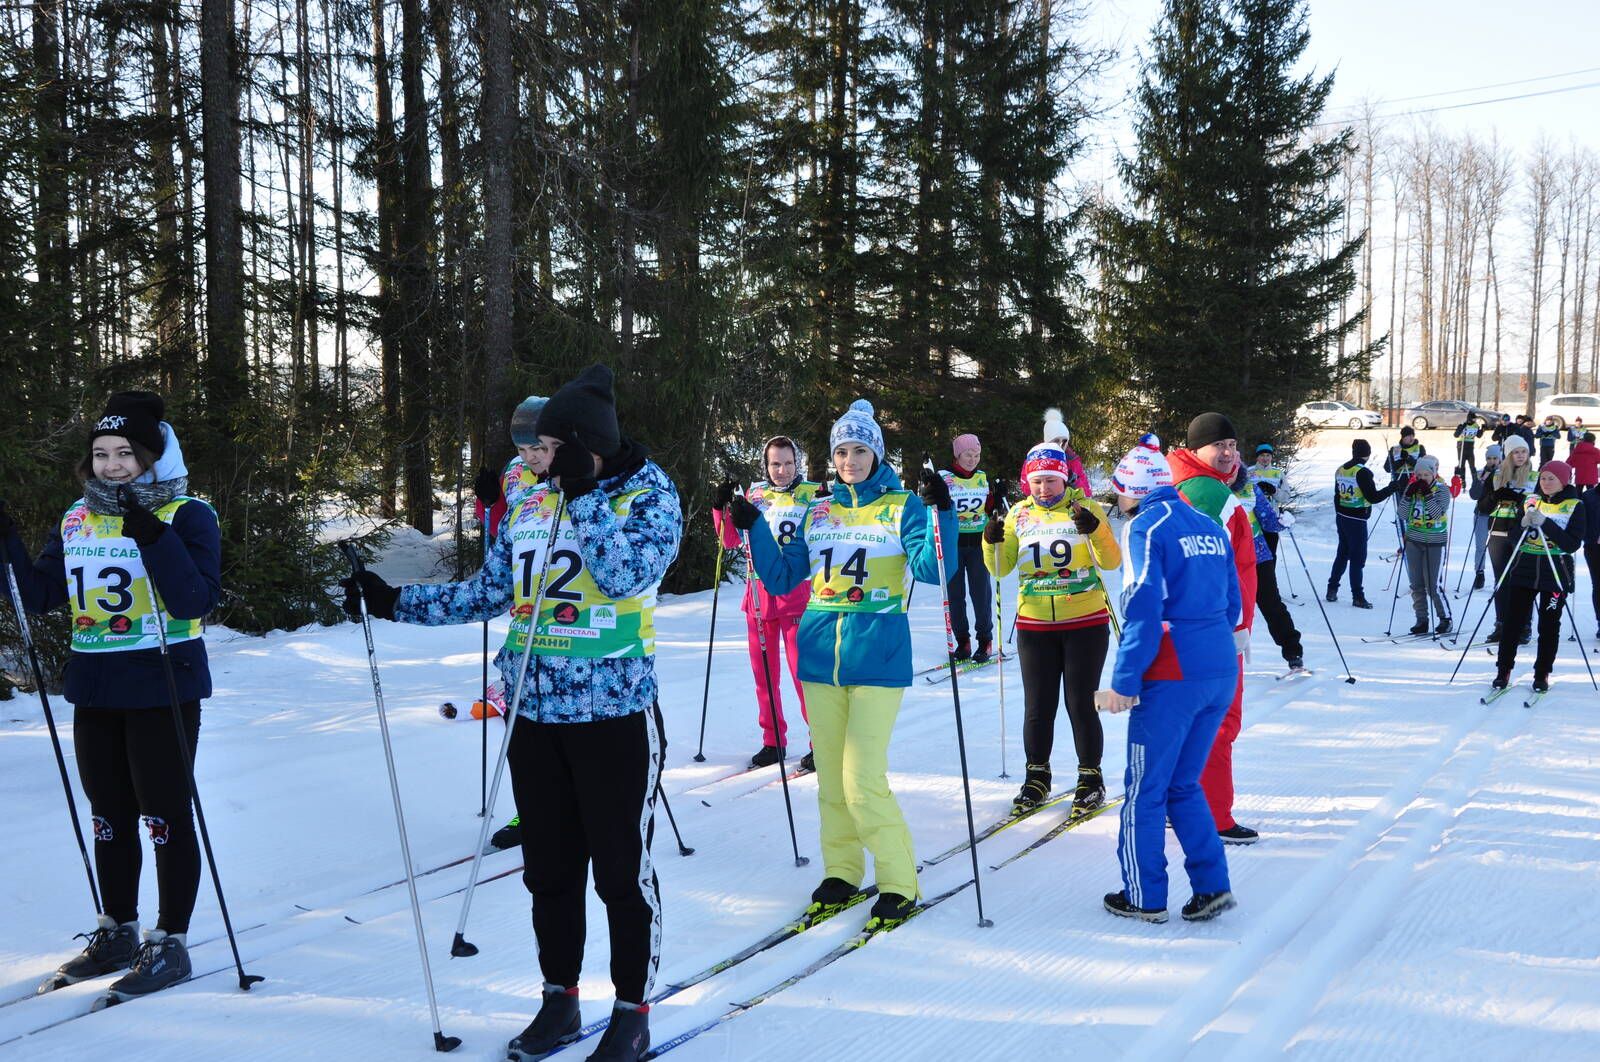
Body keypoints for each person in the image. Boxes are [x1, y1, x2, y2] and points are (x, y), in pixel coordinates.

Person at [344, 364, 681, 1062]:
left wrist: (584, 497)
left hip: (614, 713)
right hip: (535, 712)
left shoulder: (649, 494)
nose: (534, 459)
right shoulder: (531, 499)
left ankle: (632, 1009)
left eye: (551, 447)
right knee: (549, 871)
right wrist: (394, 600)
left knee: (621, 872)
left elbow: (623, 577)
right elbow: (488, 591)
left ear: (586, 447)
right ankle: (559, 999)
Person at [2, 393, 221, 1001]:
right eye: (101, 453)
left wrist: (152, 534)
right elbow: (42, 595)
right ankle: (118, 930)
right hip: (96, 686)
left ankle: (169, 940)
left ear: (153, 455)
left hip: (162, 683)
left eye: (126, 452)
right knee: (108, 815)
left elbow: (195, 601)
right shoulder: (77, 517)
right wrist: (10, 545)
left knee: (164, 814)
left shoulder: (187, 513)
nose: (113, 464)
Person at [731, 399, 956, 932]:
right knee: (830, 777)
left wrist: (941, 511)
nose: (850, 460)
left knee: (861, 778)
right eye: (841, 451)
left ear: (875, 453)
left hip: (878, 654)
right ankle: (843, 871)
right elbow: (785, 578)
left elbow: (930, 569)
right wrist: (755, 528)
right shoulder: (818, 509)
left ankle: (900, 880)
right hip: (818, 655)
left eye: (859, 450)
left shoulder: (902, 505)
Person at [1101, 435, 1240, 924]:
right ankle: (1212, 887)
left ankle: (1144, 896)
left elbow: (1142, 608)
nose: (1118, 500)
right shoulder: (1205, 523)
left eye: (1119, 491)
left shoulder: (1145, 527)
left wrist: (1124, 681)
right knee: (1184, 783)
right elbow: (1235, 602)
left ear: (1132, 490)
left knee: (1145, 787)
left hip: (1173, 672)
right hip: (1219, 665)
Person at [981, 442, 1120, 814]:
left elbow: (1111, 561)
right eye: (1038, 481)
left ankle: (1090, 778)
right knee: (1038, 706)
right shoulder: (1018, 516)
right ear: (1027, 481)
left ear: (1064, 479)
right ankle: (1036, 777)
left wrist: (1096, 532)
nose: (1045, 488)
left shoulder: (1084, 507)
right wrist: (989, 539)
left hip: (1086, 620)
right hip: (1035, 622)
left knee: (1081, 703)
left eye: (1052, 481)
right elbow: (1000, 567)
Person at [1166, 413, 1258, 845]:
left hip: (1197, 628)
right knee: (1218, 721)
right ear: (1197, 449)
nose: (1229, 453)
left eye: (1233, 445)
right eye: (1219, 445)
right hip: (1214, 630)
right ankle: (1212, 815)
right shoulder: (1208, 495)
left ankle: (1181, 802)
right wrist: (1229, 628)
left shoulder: (1198, 487)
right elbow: (1208, 567)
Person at [711, 437, 820, 770]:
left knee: (804, 676)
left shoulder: (813, 495)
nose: (782, 470)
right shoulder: (754, 495)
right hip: (758, 598)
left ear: (797, 463)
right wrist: (721, 508)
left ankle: (821, 741)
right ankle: (773, 741)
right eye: (775, 464)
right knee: (764, 676)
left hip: (796, 597)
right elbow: (730, 541)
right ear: (766, 465)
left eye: (788, 463)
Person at [473, 395, 551, 853]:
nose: (529, 456)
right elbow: (501, 533)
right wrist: (489, 503)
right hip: (524, 608)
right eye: (521, 446)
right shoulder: (512, 473)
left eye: (536, 444)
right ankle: (531, 808)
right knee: (522, 714)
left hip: (574, 612)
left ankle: (570, 804)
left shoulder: (578, 470)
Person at [1491, 461, 1589, 696]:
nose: (1545, 483)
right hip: (1524, 569)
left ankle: (1542, 673)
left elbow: (1572, 544)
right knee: (1512, 623)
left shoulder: (1575, 505)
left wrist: (1546, 524)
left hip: (1554, 571)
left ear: (1563, 481)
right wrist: (1523, 524)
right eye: (1543, 478)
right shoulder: (1531, 501)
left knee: (1549, 626)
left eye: (1551, 478)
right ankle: (1503, 670)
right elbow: (1515, 538)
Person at [1234, 462, 1303, 670]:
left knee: (1271, 604)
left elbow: (1268, 521)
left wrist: (1283, 521)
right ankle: (1224, 660)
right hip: (1229, 560)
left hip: (1258, 556)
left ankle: (1293, 652)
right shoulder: (1212, 489)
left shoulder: (1250, 488)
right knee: (1228, 610)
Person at [937, 433, 995, 662]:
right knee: (955, 595)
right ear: (957, 455)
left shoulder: (982, 477)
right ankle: (963, 640)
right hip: (954, 544)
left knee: (981, 594)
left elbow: (989, 508)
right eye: (968, 455)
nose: (973, 459)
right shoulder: (944, 477)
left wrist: (996, 499)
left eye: (977, 455)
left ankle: (985, 640)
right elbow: (936, 507)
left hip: (978, 543)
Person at [1475, 434, 1536, 645]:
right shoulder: (1497, 476)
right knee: (1502, 582)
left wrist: (1521, 501)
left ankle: (1524, 626)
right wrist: (1496, 495)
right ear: (1508, 455)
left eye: (1524, 452)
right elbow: (1482, 507)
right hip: (1498, 534)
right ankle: (1501, 624)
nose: (1520, 456)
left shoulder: (1535, 476)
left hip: (1522, 535)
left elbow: (1539, 506)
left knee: (1523, 582)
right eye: (1516, 452)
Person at [1327, 438, 1399, 608]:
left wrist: (1340, 513)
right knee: (1357, 559)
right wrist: (1391, 488)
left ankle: (1332, 589)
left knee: (1342, 554)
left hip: (1343, 517)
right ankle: (1358, 596)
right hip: (1357, 519)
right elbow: (1373, 497)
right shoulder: (1362, 472)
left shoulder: (1341, 469)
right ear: (1367, 454)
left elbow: (1337, 495)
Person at [1400, 455, 1452, 635]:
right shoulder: (1412, 488)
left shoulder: (1442, 490)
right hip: (1414, 540)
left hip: (1435, 542)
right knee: (1416, 584)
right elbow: (1402, 514)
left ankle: (1445, 618)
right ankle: (1421, 620)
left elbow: (1437, 514)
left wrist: (1427, 494)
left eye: (1426, 475)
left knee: (1432, 585)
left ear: (1434, 474)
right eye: (1419, 475)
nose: (1422, 479)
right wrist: (1408, 495)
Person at [1465, 443, 1503, 591]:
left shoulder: (1505, 473)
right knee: (1480, 546)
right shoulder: (1481, 472)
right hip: (1481, 513)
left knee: (1497, 548)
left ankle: (1498, 576)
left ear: (1500, 459)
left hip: (1498, 514)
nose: (1492, 461)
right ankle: (1479, 573)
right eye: (1489, 458)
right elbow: (1474, 495)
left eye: (1495, 458)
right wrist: (1481, 480)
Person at [1040, 407, 1092, 495]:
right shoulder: (1036, 458)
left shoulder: (1073, 460)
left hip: (1069, 505)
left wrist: (1075, 482)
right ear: (1048, 440)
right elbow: (1027, 487)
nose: (1060, 445)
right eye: (1056, 440)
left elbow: (1087, 493)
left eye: (1064, 441)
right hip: (1044, 505)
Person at [1453, 415, 1483, 481]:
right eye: (1474, 419)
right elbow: (1456, 435)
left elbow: (1479, 435)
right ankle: (1462, 481)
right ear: (1470, 419)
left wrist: (1482, 430)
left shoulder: (1476, 425)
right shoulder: (1463, 424)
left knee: (1472, 465)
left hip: (1470, 447)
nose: (1475, 420)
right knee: (1462, 465)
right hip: (1462, 446)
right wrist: (1462, 427)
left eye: (1475, 419)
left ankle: (1475, 481)